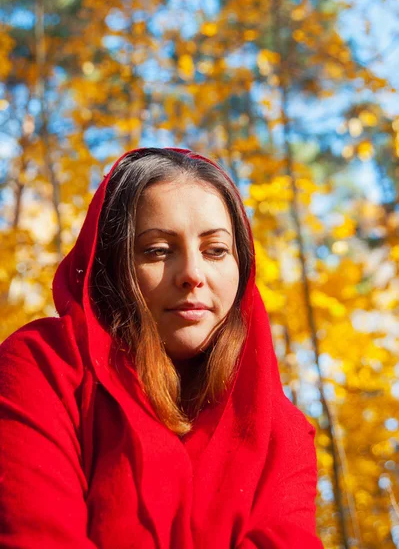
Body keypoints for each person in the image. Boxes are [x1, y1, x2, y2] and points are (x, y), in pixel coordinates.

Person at [0, 147, 323, 548]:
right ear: (112, 268)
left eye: (215, 250)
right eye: (157, 250)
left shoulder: (281, 431)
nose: (191, 273)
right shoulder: (43, 366)